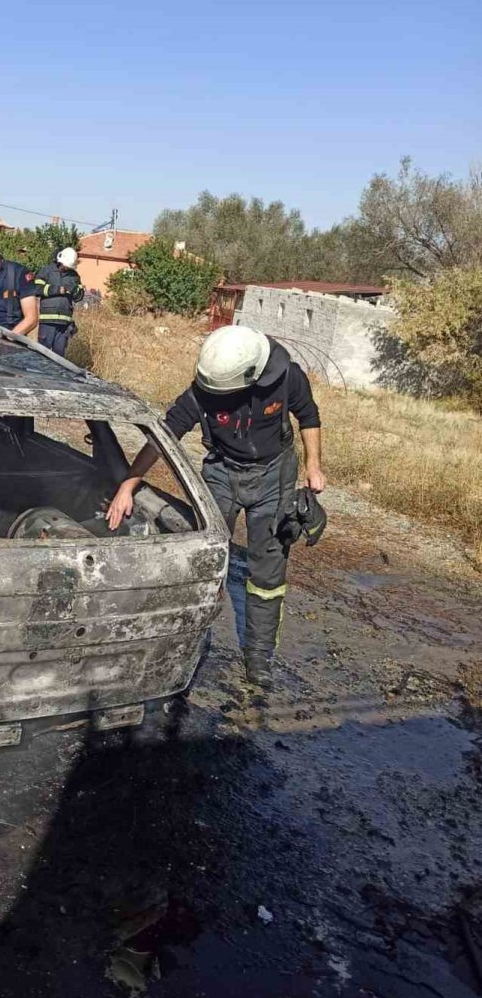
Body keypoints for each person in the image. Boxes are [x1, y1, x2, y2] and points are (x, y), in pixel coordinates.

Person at [106, 325, 326, 690]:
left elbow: (309, 416)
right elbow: (166, 434)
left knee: (267, 574)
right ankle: (193, 638)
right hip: (222, 474)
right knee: (206, 558)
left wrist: (314, 466)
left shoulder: (287, 377)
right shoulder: (202, 392)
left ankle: (259, 657)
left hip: (275, 477)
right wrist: (128, 485)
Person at [34, 247, 85, 356]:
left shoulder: (74, 276)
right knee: (41, 355)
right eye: (64, 266)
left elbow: (79, 296)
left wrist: (74, 290)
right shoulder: (46, 271)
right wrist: (56, 289)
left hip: (64, 323)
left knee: (59, 358)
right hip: (47, 321)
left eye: (68, 267)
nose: (65, 268)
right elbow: (36, 288)